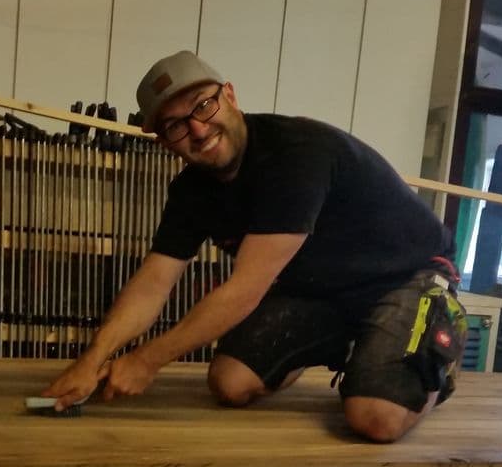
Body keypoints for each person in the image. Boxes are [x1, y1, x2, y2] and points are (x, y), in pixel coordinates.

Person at [42, 50, 466, 443]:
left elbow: (245, 290)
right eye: (175, 125)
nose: (197, 129)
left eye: (203, 106)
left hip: (407, 276)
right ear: (163, 141)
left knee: (375, 417)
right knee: (230, 382)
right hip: (322, 292)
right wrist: (92, 358)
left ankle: (433, 358)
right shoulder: (191, 191)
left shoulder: (295, 154)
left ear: (229, 95)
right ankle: (359, 344)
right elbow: (154, 281)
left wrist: (146, 361)